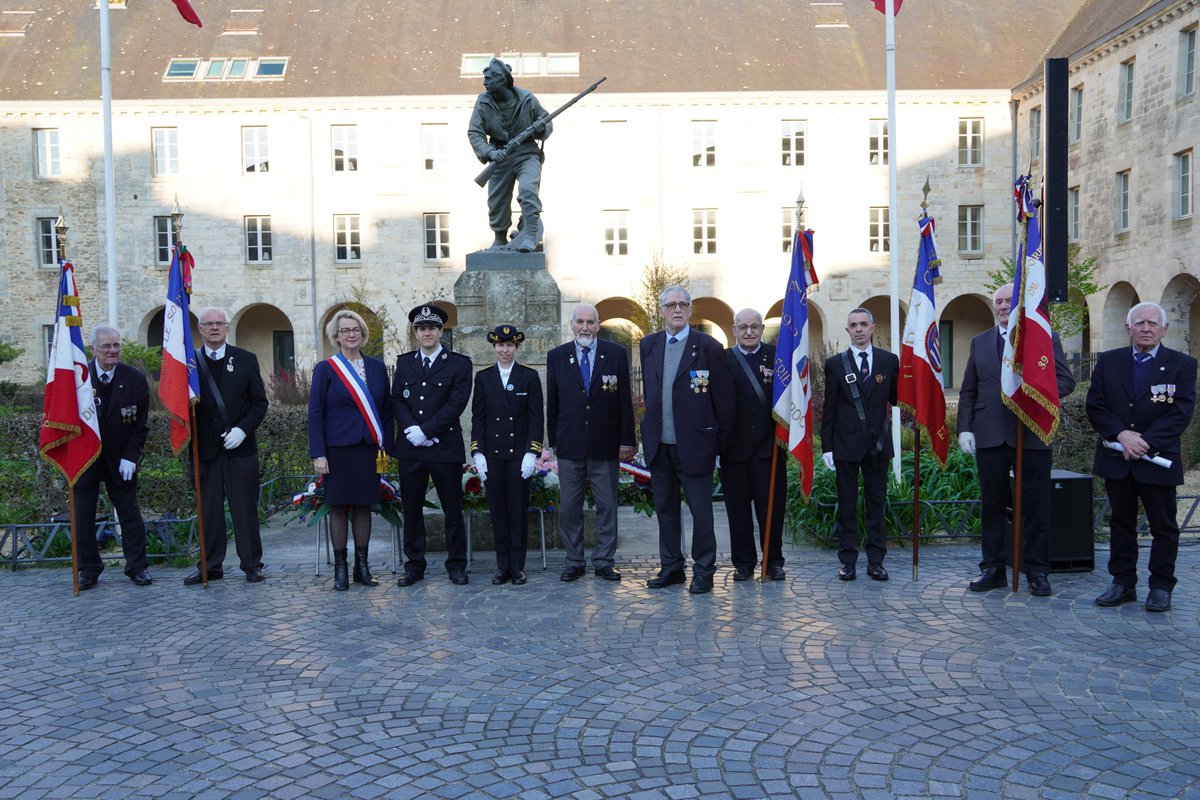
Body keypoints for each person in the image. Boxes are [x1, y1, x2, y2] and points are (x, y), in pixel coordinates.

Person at [957, 283, 1075, 596]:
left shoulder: (1041, 338)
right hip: (991, 435)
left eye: (1010, 300)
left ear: (1020, 304)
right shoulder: (980, 342)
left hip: (1031, 433)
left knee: (1036, 507)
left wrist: (1034, 392)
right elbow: (970, 389)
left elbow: (1065, 380)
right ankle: (993, 568)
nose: (1003, 305)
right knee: (992, 506)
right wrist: (965, 428)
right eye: (999, 301)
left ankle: (1036, 570)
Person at [1087, 302, 1197, 612]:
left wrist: (1144, 443)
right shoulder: (1109, 362)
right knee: (1121, 523)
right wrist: (1121, 435)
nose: (1145, 328)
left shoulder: (1183, 366)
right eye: (1139, 323)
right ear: (1128, 328)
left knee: (1163, 526)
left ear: (1164, 329)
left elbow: (1181, 412)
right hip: (1117, 457)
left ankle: (1161, 586)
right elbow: (1096, 406)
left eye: (1152, 323)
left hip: (1158, 458)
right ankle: (1122, 582)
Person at [639, 285, 734, 594]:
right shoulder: (649, 345)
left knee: (701, 511)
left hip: (696, 445)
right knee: (666, 510)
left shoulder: (708, 346)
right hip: (659, 445)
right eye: (670, 304)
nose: (677, 309)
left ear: (691, 310)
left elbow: (723, 400)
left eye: (682, 304)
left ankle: (704, 569)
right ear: (662, 310)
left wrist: (719, 446)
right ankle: (672, 567)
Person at [545, 303, 636, 582]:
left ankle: (604, 560)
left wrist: (626, 440)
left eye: (590, 322)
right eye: (580, 322)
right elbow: (554, 401)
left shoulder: (616, 354)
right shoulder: (557, 356)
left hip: (605, 444)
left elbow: (624, 402)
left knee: (607, 505)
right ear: (571, 325)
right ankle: (574, 560)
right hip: (570, 445)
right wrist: (554, 442)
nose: (585, 327)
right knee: (570, 507)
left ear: (598, 325)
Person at [308, 310, 393, 591]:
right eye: (345, 330)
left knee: (364, 506)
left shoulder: (378, 368)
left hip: (368, 449)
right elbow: (316, 413)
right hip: (337, 450)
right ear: (336, 336)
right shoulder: (326, 368)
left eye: (355, 329)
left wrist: (386, 448)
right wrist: (318, 454)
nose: (351, 334)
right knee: (340, 507)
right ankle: (341, 569)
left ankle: (363, 567)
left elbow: (385, 412)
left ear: (363, 333)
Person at [186, 307, 269, 585]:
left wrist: (243, 431)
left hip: (240, 449)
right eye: (208, 324)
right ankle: (210, 566)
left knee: (244, 510)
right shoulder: (188, 364)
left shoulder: (245, 359)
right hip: (204, 450)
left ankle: (252, 564)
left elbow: (260, 403)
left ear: (227, 327)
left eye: (219, 323)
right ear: (200, 329)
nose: (214, 328)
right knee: (208, 511)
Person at [391, 304, 473, 586]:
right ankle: (414, 565)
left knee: (452, 509)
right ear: (416, 333)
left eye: (432, 328)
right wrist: (411, 430)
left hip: (444, 447)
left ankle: (456, 564)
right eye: (421, 328)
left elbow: (456, 404)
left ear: (441, 332)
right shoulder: (404, 363)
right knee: (412, 509)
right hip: (410, 448)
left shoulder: (459, 364)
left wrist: (426, 430)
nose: (426, 333)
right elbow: (397, 400)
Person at [820, 308, 899, 581]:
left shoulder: (889, 361)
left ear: (873, 327)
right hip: (845, 444)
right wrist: (826, 446)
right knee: (848, 504)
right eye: (853, 325)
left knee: (876, 503)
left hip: (877, 445)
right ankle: (848, 560)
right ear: (847, 330)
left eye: (863, 324)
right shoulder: (835, 364)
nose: (859, 329)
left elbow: (898, 398)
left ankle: (876, 560)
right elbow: (828, 409)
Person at [73, 325, 152, 589]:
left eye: (116, 345)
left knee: (129, 514)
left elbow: (140, 425)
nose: (113, 351)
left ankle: (137, 567)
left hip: (120, 460)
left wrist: (131, 456)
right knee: (83, 516)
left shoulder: (135, 379)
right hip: (85, 459)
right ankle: (88, 569)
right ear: (93, 349)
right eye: (106, 346)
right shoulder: (77, 377)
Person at [470, 325, 544, 585]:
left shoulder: (529, 377)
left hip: (518, 456)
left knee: (517, 511)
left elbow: (536, 418)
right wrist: (477, 451)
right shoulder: (484, 377)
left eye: (509, 345)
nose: (504, 350)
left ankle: (518, 566)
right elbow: (478, 418)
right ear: (493, 347)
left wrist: (531, 453)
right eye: (500, 345)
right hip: (492, 455)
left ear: (516, 348)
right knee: (498, 511)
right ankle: (503, 567)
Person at [720, 308, 787, 582]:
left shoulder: (777, 357)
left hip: (768, 449)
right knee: (737, 512)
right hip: (733, 450)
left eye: (755, 327)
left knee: (771, 509)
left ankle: (773, 561)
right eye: (743, 327)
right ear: (734, 330)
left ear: (762, 329)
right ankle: (744, 563)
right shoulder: (722, 359)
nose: (749, 332)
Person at [467, 57, 552, 252]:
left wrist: (540, 129)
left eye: (488, 78)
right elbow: (475, 132)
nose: (484, 82)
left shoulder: (527, 99)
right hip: (500, 154)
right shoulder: (483, 102)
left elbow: (546, 121)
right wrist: (489, 152)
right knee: (497, 201)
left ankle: (530, 235)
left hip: (526, 153)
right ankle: (499, 239)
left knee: (528, 191)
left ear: (501, 80)